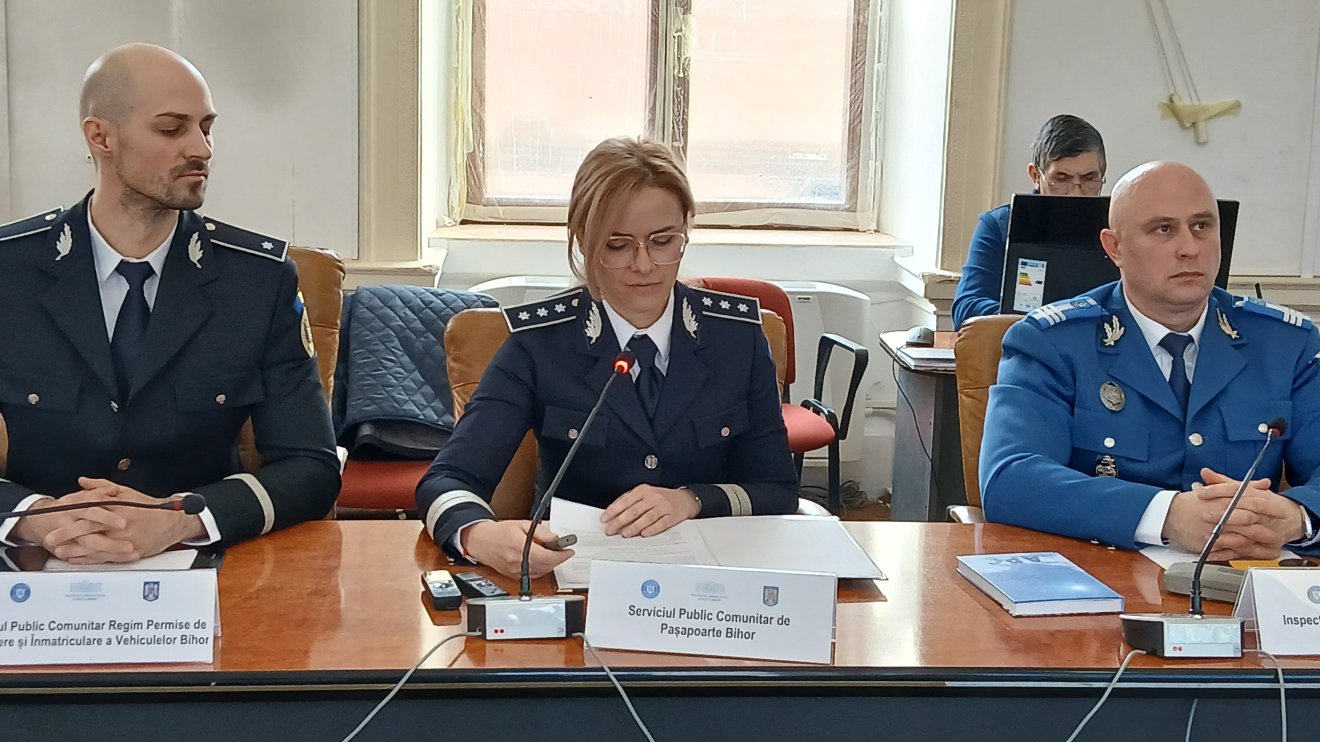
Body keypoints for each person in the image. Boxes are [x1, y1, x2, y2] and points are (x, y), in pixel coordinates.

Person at [0, 44, 340, 563]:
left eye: (206, 128)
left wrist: (181, 520)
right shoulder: (11, 272)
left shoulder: (256, 281)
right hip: (33, 568)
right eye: (171, 129)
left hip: (198, 564)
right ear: (101, 137)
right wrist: (34, 516)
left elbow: (311, 466)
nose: (201, 149)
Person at [416, 137, 799, 578]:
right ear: (584, 240)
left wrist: (692, 499)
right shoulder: (539, 344)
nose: (644, 265)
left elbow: (776, 489)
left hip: (708, 583)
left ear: (686, 233)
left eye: (663, 241)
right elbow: (446, 480)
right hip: (578, 578)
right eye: (618, 245)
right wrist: (479, 534)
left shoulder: (737, 338)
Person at [979, 161, 1320, 559]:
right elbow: (1010, 477)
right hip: (1103, 574)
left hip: (1246, 576)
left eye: (1202, 226)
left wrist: (1297, 516)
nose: (1189, 248)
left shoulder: (1284, 344)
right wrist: (1166, 515)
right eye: (1163, 229)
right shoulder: (1053, 342)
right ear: (1115, 248)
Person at [952, 114, 1107, 329]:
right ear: (1035, 175)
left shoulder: (1120, 227)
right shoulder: (999, 225)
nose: (1076, 193)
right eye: (1061, 179)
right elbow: (967, 307)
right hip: (1024, 340)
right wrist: (1041, 320)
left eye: (1089, 178)